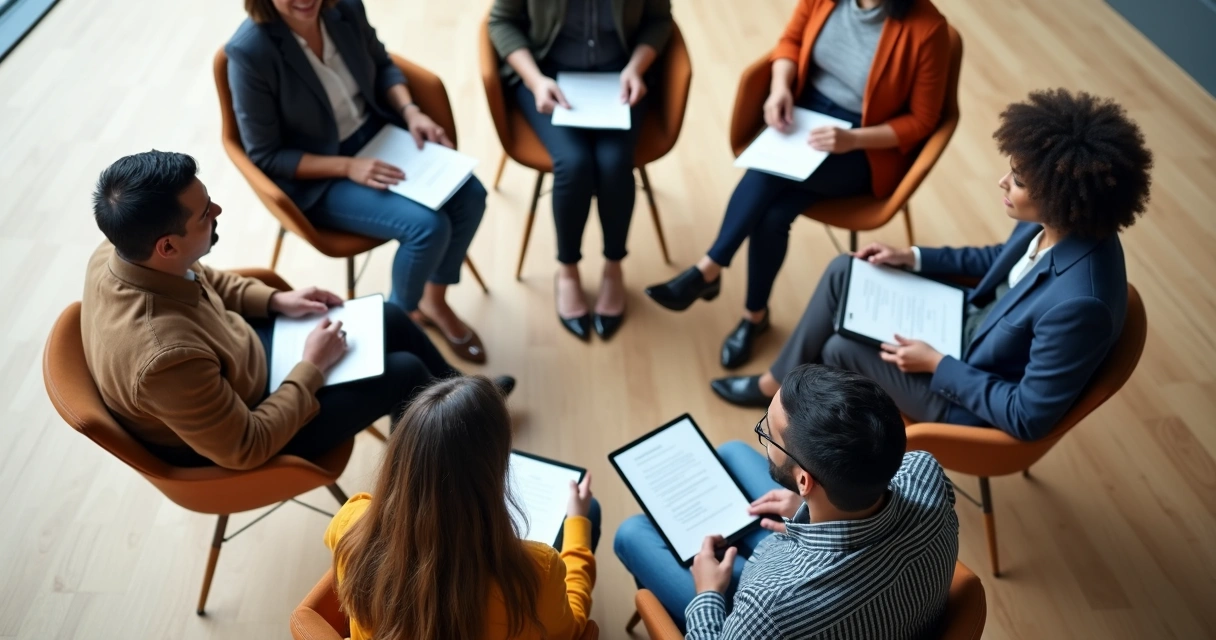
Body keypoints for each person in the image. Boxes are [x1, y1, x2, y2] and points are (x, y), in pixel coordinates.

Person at [711, 88, 1154, 442]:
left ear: (1059, 197)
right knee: (848, 271)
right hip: (970, 326)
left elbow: (1027, 417)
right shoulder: (1062, 219)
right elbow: (999, 264)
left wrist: (937, 364)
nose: (1002, 181)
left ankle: (821, 442)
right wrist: (915, 258)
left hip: (969, 397)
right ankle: (778, 386)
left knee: (838, 349)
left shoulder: (1081, 305)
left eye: (1017, 180)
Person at [81, 150, 514, 470]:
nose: (217, 210)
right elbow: (245, 447)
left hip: (241, 362)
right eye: (204, 214)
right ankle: (452, 464)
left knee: (391, 317)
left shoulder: (123, 249)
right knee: (405, 373)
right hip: (252, 425)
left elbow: (202, 278)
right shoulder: (165, 359)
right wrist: (313, 367)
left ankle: (466, 410)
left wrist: (273, 300)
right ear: (167, 245)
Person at [645, 0, 951, 369]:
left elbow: (922, 120)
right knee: (774, 214)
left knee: (766, 174)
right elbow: (790, 42)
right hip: (807, 114)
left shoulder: (928, 29)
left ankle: (709, 270)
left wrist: (853, 139)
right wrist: (779, 88)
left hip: (865, 142)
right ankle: (752, 316)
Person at [226, 0, 491, 363]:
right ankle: (400, 326)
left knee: (472, 194)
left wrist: (411, 111)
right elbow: (267, 155)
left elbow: (383, 65)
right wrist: (347, 167)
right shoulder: (249, 52)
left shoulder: (345, 8)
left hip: (378, 135)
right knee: (428, 227)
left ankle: (434, 300)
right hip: (321, 173)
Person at [614, 365, 958, 637]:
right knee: (732, 451)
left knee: (631, 534)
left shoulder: (767, 607)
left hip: (791, 607)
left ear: (804, 481)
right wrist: (807, 510)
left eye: (768, 434)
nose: (763, 436)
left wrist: (708, 594)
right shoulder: (924, 472)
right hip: (898, 610)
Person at [325, 376, 601, 640]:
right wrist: (577, 522)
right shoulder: (535, 573)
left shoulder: (350, 520)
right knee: (592, 510)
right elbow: (572, 631)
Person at [489, 0, 673, 341]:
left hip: (621, 77)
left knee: (615, 164)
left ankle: (613, 266)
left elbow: (659, 20)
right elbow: (501, 22)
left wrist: (636, 67)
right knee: (573, 164)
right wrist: (534, 80)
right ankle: (568, 270)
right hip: (547, 77)